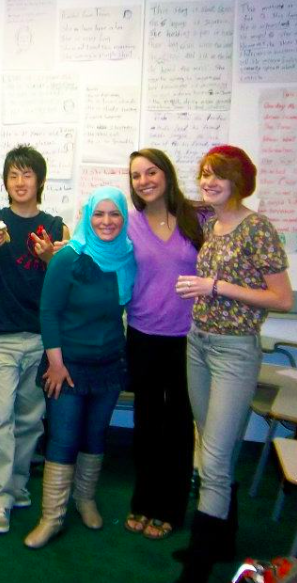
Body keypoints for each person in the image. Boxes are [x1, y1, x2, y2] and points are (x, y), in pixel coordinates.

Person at [173, 146, 292, 583]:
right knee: (209, 445)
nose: (209, 182)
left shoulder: (258, 228)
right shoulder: (211, 223)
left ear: (239, 181)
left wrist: (216, 286)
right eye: (205, 173)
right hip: (198, 344)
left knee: (217, 457)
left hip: (235, 351)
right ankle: (222, 538)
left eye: (219, 175)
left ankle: (199, 565)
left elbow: (282, 298)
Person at [24, 187, 136, 549]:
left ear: (124, 218)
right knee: (64, 437)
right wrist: (56, 364)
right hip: (67, 365)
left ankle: (84, 499)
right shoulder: (68, 257)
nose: (106, 221)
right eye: (98, 214)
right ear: (88, 217)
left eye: (114, 214)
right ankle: (52, 517)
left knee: (95, 435)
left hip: (109, 363)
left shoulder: (128, 257)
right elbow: (49, 312)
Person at [0, 145, 69, 534]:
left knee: (29, 419)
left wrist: (50, 260)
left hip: (42, 338)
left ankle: (17, 484)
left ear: (40, 180)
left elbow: (67, 284)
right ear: (5, 181)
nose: (20, 182)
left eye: (27, 174)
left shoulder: (57, 228)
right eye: (13, 175)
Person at [124, 148, 203, 541]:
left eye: (151, 172)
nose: (144, 181)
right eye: (136, 176)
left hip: (190, 339)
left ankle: (171, 508)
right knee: (147, 422)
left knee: (179, 424)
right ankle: (143, 501)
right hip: (143, 335)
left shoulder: (197, 218)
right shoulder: (128, 223)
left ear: (167, 174)